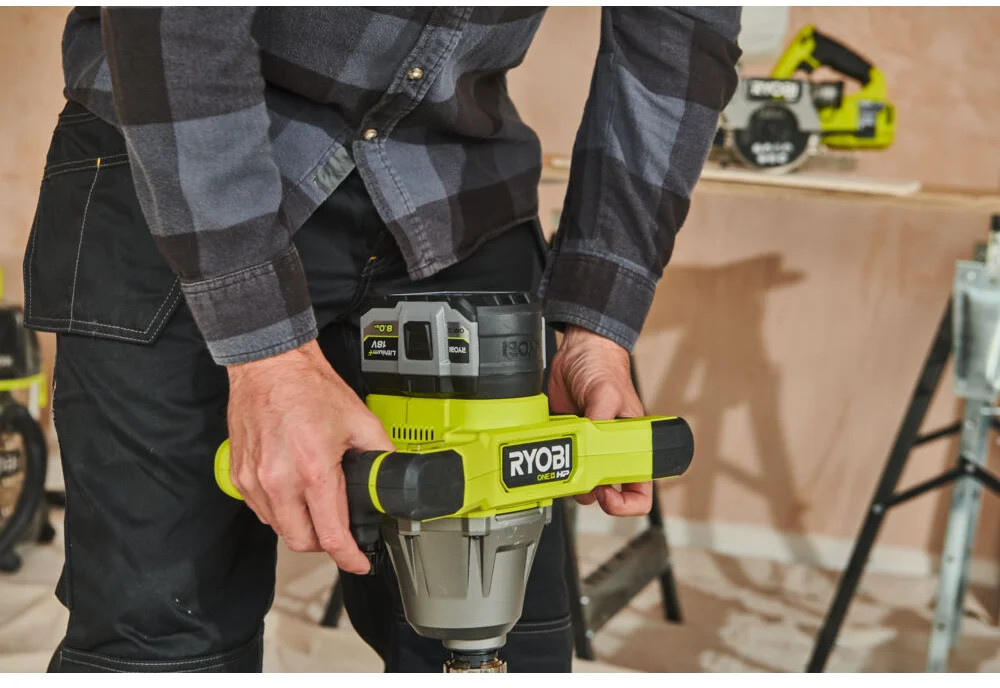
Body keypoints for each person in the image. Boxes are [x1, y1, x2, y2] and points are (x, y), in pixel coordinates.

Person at [25, 7, 741, 673]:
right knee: (163, 642)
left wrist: (596, 328)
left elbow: (677, 34)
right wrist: (268, 355)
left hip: (455, 195)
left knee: (505, 639)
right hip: (190, 163)